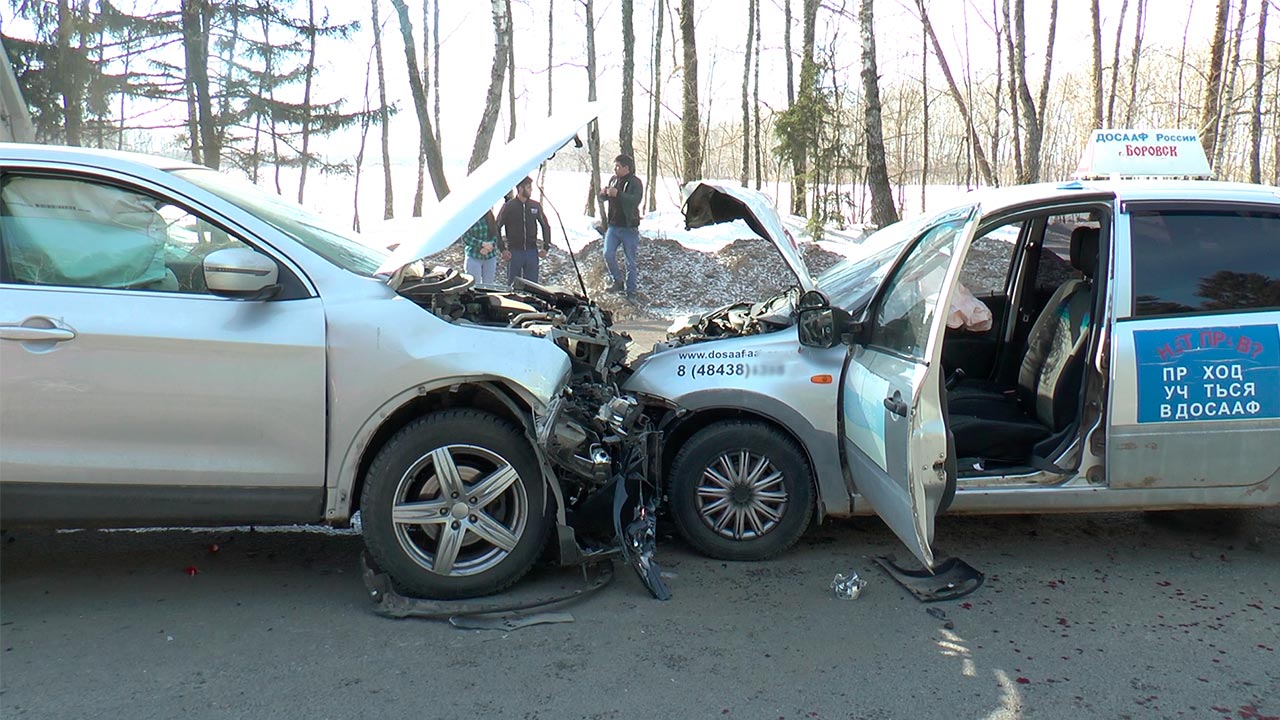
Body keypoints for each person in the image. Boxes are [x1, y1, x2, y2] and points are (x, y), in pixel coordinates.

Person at [598, 154, 644, 301]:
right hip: (613, 225)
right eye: (615, 166)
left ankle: (631, 291)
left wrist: (619, 194)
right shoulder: (613, 180)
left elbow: (635, 200)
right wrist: (604, 193)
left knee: (630, 261)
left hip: (629, 227)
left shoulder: (635, 182)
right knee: (608, 253)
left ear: (626, 168)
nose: (615, 168)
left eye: (618, 166)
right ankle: (617, 280)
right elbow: (602, 198)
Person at [496, 176, 552, 284]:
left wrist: (546, 247)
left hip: (531, 251)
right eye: (528, 187)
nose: (531, 189)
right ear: (521, 189)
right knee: (513, 285)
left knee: (532, 286)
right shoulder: (509, 207)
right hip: (514, 252)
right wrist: (502, 249)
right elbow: (496, 227)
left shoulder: (535, 206)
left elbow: (545, 226)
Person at [460, 213, 501, 284]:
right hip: (474, 256)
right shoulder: (468, 217)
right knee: (474, 284)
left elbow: (495, 234)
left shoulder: (489, 216)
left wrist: (489, 247)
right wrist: (481, 244)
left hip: (490, 256)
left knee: (488, 285)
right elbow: (465, 237)